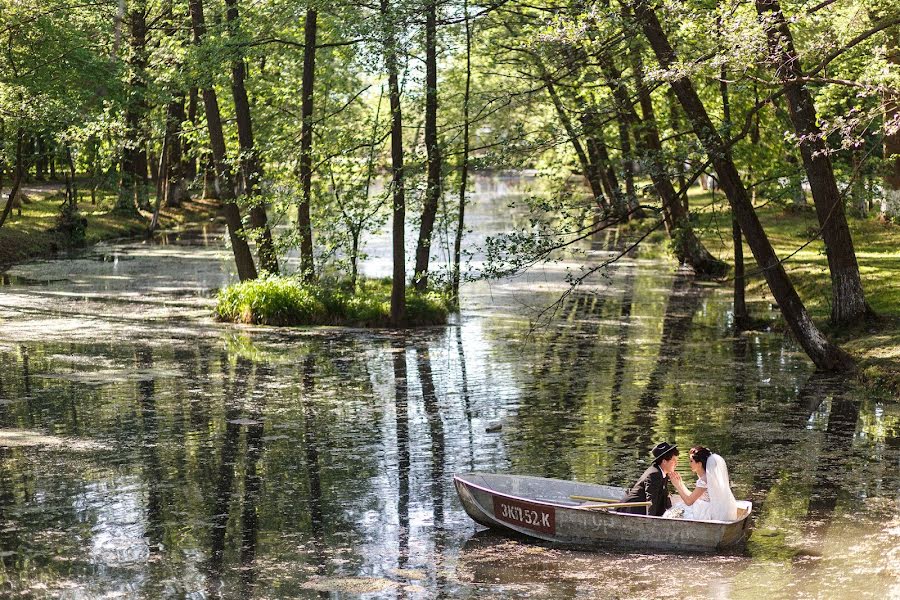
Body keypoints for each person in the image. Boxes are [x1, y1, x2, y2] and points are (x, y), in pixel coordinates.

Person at [663, 446, 738, 521]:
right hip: (707, 506)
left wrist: (677, 486)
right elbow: (693, 497)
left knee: (676, 511)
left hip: (707, 511)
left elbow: (689, 501)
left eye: (691, 461)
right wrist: (680, 483)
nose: (690, 464)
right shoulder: (706, 477)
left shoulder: (704, 480)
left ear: (699, 464)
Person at [618, 442, 678, 516]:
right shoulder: (654, 474)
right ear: (664, 461)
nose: (676, 463)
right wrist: (651, 521)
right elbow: (651, 500)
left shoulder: (663, 473)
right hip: (630, 510)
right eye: (674, 461)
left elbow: (664, 497)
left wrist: (671, 513)